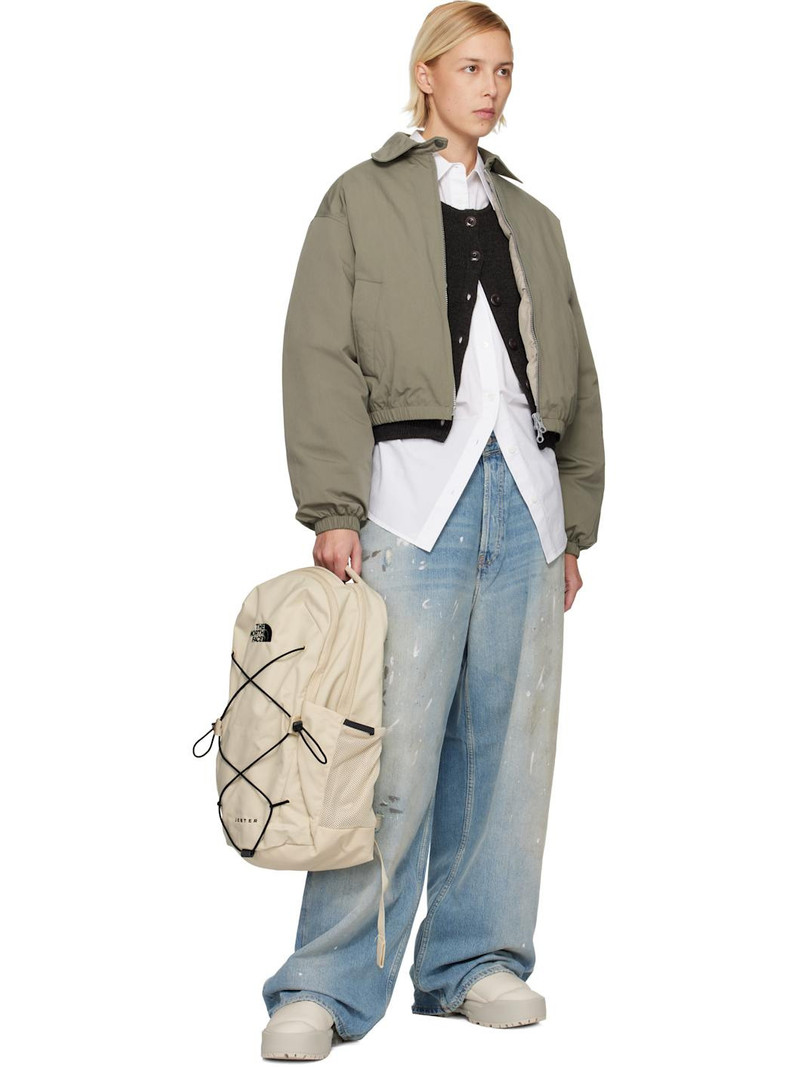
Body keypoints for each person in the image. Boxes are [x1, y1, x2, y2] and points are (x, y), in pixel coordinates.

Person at [261, 2, 605, 1059]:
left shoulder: (532, 217)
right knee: (383, 752)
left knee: (507, 754)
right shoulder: (358, 199)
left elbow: (579, 373)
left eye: (503, 71)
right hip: (409, 503)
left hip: (524, 508)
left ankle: (475, 960)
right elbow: (318, 352)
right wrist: (332, 507)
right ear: (425, 75)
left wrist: (573, 524)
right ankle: (324, 983)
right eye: (471, 67)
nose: (490, 88)